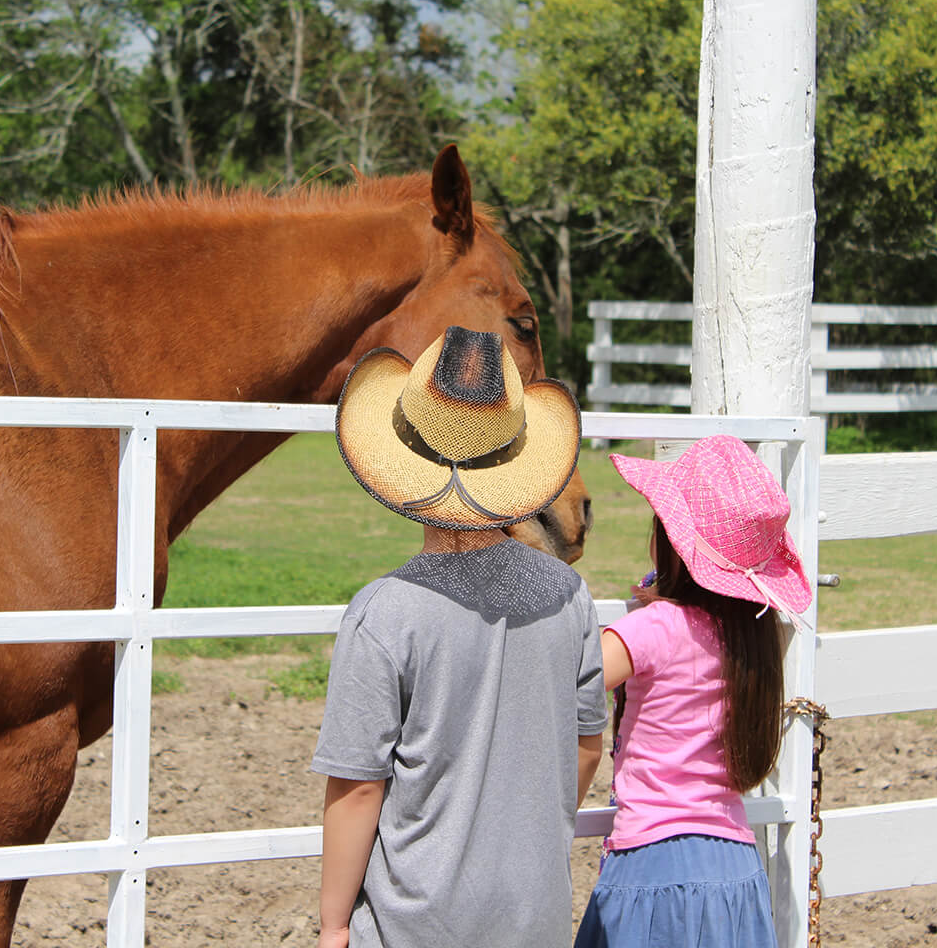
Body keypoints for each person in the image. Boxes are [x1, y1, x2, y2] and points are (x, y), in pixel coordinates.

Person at [313, 325, 608, 948]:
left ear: (403, 454)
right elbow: (585, 747)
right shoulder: (569, 595)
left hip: (416, 921)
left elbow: (360, 786)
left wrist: (334, 922)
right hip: (537, 914)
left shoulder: (384, 614)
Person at [573, 434, 814, 948]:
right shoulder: (754, 637)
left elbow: (569, 676)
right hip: (735, 869)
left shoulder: (655, 628)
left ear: (671, 540)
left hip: (653, 867)